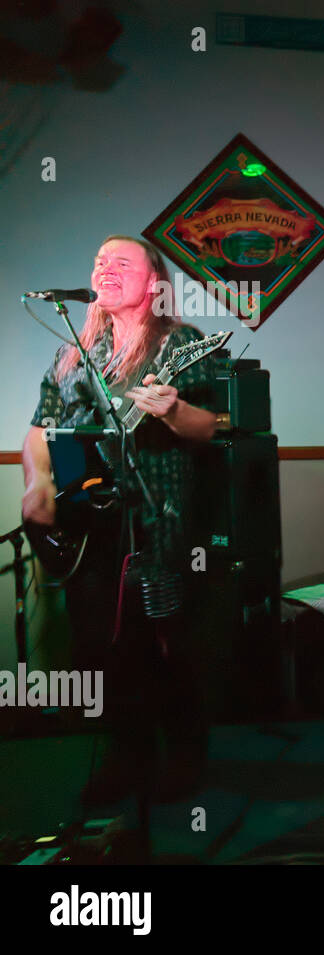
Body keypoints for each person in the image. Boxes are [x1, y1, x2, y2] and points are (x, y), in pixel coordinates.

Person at [21, 235, 218, 806]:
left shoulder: (180, 343)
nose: (105, 268)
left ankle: (183, 759)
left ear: (153, 282)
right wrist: (37, 483)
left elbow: (214, 426)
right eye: (99, 261)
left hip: (156, 520)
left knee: (163, 643)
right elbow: (41, 429)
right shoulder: (72, 349)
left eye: (121, 261)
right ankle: (124, 758)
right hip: (88, 527)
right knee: (100, 649)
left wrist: (175, 410)